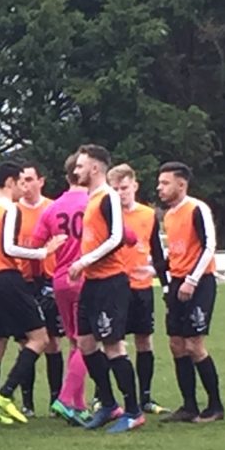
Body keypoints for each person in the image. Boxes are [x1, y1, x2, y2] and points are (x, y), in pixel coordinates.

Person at [0, 161, 67, 426]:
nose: (22, 189)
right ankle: (5, 393)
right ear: (11, 182)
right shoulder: (10, 209)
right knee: (40, 338)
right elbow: (9, 247)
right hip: (8, 278)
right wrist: (43, 252)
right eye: (20, 183)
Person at [68, 144, 145, 433]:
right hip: (93, 282)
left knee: (113, 346)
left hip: (111, 282)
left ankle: (134, 410)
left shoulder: (108, 197)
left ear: (95, 168)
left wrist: (82, 261)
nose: (76, 171)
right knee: (86, 343)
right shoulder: (91, 199)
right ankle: (110, 404)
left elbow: (115, 238)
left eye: (80, 166)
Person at [153, 162, 225, 423]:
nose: (159, 188)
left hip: (199, 283)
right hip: (178, 283)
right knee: (176, 345)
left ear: (181, 184)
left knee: (195, 345)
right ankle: (189, 406)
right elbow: (175, 254)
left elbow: (209, 246)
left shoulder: (197, 209)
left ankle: (215, 407)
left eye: (165, 183)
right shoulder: (169, 215)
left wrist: (192, 280)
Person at [30, 153, 92, 424]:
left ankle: (78, 405)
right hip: (86, 277)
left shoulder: (52, 208)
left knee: (75, 341)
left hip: (60, 280)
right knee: (90, 341)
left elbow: (35, 245)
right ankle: (66, 398)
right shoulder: (95, 202)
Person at [107, 164, 170, 415]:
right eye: (115, 189)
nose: (120, 193)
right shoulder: (108, 215)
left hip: (142, 287)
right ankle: (109, 397)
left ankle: (145, 396)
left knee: (144, 340)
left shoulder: (147, 215)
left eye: (124, 188)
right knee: (112, 342)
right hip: (114, 286)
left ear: (134, 186)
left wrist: (164, 283)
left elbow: (156, 251)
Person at [14, 163, 63, 418]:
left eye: (30, 179)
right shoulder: (13, 210)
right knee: (26, 343)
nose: (26, 184)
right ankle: (27, 402)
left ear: (41, 181)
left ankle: (57, 399)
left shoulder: (53, 208)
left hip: (49, 281)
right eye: (22, 179)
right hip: (22, 283)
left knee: (53, 342)